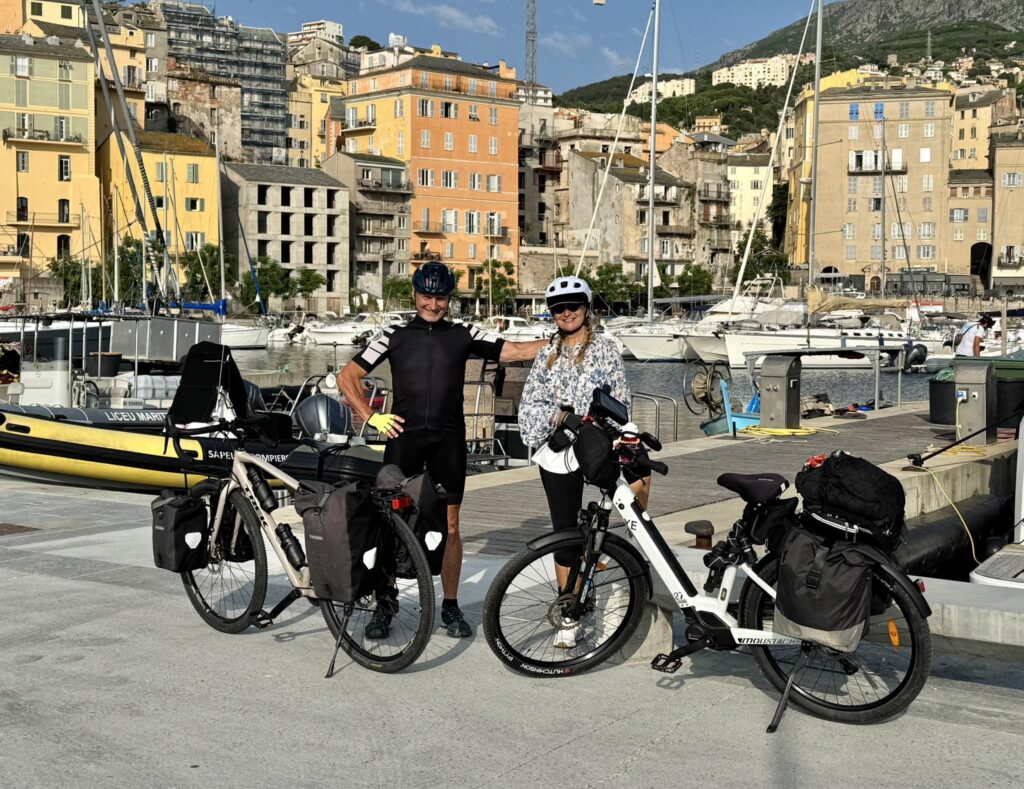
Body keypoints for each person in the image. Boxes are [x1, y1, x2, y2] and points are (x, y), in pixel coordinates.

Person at [339, 262, 546, 638]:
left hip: (448, 441)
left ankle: (449, 607)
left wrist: (567, 338)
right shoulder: (393, 333)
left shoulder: (462, 333)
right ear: (415, 294)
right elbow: (347, 376)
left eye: (440, 298)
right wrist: (370, 417)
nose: (432, 305)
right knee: (390, 524)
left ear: (449, 299)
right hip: (404, 439)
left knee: (450, 525)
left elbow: (516, 351)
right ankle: (385, 604)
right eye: (426, 296)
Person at [517, 275, 651, 649]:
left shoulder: (606, 349)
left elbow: (619, 398)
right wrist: (559, 417)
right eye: (559, 308)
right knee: (563, 529)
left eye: (574, 305)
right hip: (558, 448)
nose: (567, 313)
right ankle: (568, 608)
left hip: (598, 440)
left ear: (587, 308)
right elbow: (531, 404)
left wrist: (607, 425)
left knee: (641, 473)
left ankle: (620, 550)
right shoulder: (546, 354)